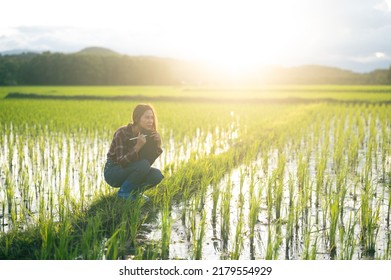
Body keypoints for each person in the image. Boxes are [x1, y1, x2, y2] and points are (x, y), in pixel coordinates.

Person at [104, 104, 164, 200]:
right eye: (147, 117)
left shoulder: (147, 135)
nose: (150, 121)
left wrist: (157, 145)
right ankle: (123, 193)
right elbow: (121, 162)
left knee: (157, 175)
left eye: (152, 118)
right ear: (137, 119)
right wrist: (137, 146)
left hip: (130, 169)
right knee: (143, 164)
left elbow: (146, 164)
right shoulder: (122, 133)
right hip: (113, 171)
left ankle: (134, 193)